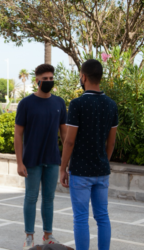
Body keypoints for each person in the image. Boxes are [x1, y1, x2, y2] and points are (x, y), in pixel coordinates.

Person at [60, 59, 118, 250]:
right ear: (100, 77)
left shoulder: (77, 104)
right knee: (102, 216)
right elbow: (111, 142)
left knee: (81, 218)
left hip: (81, 172)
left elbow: (69, 141)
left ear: (83, 77)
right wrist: (104, 161)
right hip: (101, 170)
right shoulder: (111, 105)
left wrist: (63, 168)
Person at [14, 64, 68, 249]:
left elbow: (64, 134)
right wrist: (19, 162)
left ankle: (48, 235)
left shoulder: (59, 102)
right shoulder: (26, 103)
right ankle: (29, 237)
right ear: (36, 80)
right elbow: (18, 135)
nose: (48, 82)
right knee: (30, 197)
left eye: (51, 78)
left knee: (49, 198)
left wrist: (65, 162)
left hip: (53, 159)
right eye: (45, 79)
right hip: (32, 160)